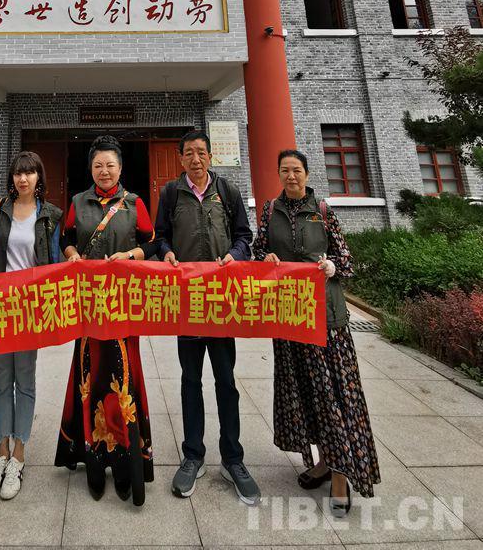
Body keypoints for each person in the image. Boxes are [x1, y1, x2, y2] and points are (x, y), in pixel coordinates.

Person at [253, 149, 380, 516]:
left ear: (306, 174)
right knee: (306, 394)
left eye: (296, 170)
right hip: (290, 318)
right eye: (285, 170)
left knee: (332, 395)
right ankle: (324, 461)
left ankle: (341, 474)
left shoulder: (322, 211)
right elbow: (259, 250)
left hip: (326, 321)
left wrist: (331, 266)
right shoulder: (270, 211)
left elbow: (347, 260)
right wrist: (266, 258)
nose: (290, 176)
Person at [155, 129, 260, 505]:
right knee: (190, 380)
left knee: (226, 380)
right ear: (181, 158)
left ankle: (233, 458)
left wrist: (235, 254)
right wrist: (166, 252)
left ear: (210, 156)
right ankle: (193, 454)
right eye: (189, 153)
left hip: (220, 301)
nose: (195, 159)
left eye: (201, 152)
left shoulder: (227, 191)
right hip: (187, 301)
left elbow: (246, 237)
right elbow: (160, 237)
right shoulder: (171, 193)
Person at [54, 134, 157, 506]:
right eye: (98, 165)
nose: (104, 170)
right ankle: (94, 461)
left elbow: (152, 243)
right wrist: (70, 253)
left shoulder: (134, 203)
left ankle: (127, 462)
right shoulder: (78, 202)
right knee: (91, 377)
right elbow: (65, 238)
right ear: (91, 169)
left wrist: (131, 255)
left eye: (110, 164)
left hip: (123, 305)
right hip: (88, 305)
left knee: (124, 378)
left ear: (120, 167)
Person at [0, 150, 63, 501]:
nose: (23, 178)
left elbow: (55, 261)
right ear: (12, 178)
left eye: (29, 172)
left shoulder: (50, 215)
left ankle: (19, 456)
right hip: (1, 306)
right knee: (2, 380)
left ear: (39, 177)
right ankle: (1, 451)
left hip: (29, 309)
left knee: (24, 381)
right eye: (18, 173)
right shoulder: (0, 210)